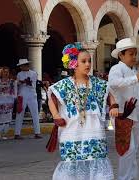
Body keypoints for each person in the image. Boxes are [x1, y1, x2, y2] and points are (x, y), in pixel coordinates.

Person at [47, 43, 117, 180]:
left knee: (97, 159)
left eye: (89, 61)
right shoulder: (65, 84)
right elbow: (52, 97)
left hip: (94, 129)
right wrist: (56, 116)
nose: (88, 64)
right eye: (83, 61)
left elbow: (109, 94)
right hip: (71, 130)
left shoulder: (97, 83)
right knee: (71, 162)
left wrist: (114, 106)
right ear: (74, 64)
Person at [109, 37, 139, 180]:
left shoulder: (134, 72)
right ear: (121, 55)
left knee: (134, 150)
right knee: (127, 149)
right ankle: (123, 178)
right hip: (122, 115)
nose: (134, 57)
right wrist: (135, 79)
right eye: (131, 54)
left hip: (135, 115)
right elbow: (112, 84)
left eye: (135, 53)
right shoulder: (116, 69)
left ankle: (131, 177)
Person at [14, 59, 42, 139]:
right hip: (22, 95)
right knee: (20, 113)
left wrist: (22, 82)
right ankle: (17, 133)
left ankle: (37, 132)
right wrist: (21, 83)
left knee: (35, 114)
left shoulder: (34, 73)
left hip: (31, 95)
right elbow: (18, 83)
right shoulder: (19, 74)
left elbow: (30, 83)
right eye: (21, 66)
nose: (21, 67)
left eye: (23, 65)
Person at [0, 67, 17, 140]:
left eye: (7, 72)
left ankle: (4, 133)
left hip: (8, 102)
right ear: (1, 73)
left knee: (7, 118)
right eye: (4, 72)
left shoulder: (12, 82)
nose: (6, 73)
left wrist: (11, 96)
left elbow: (15, 92)